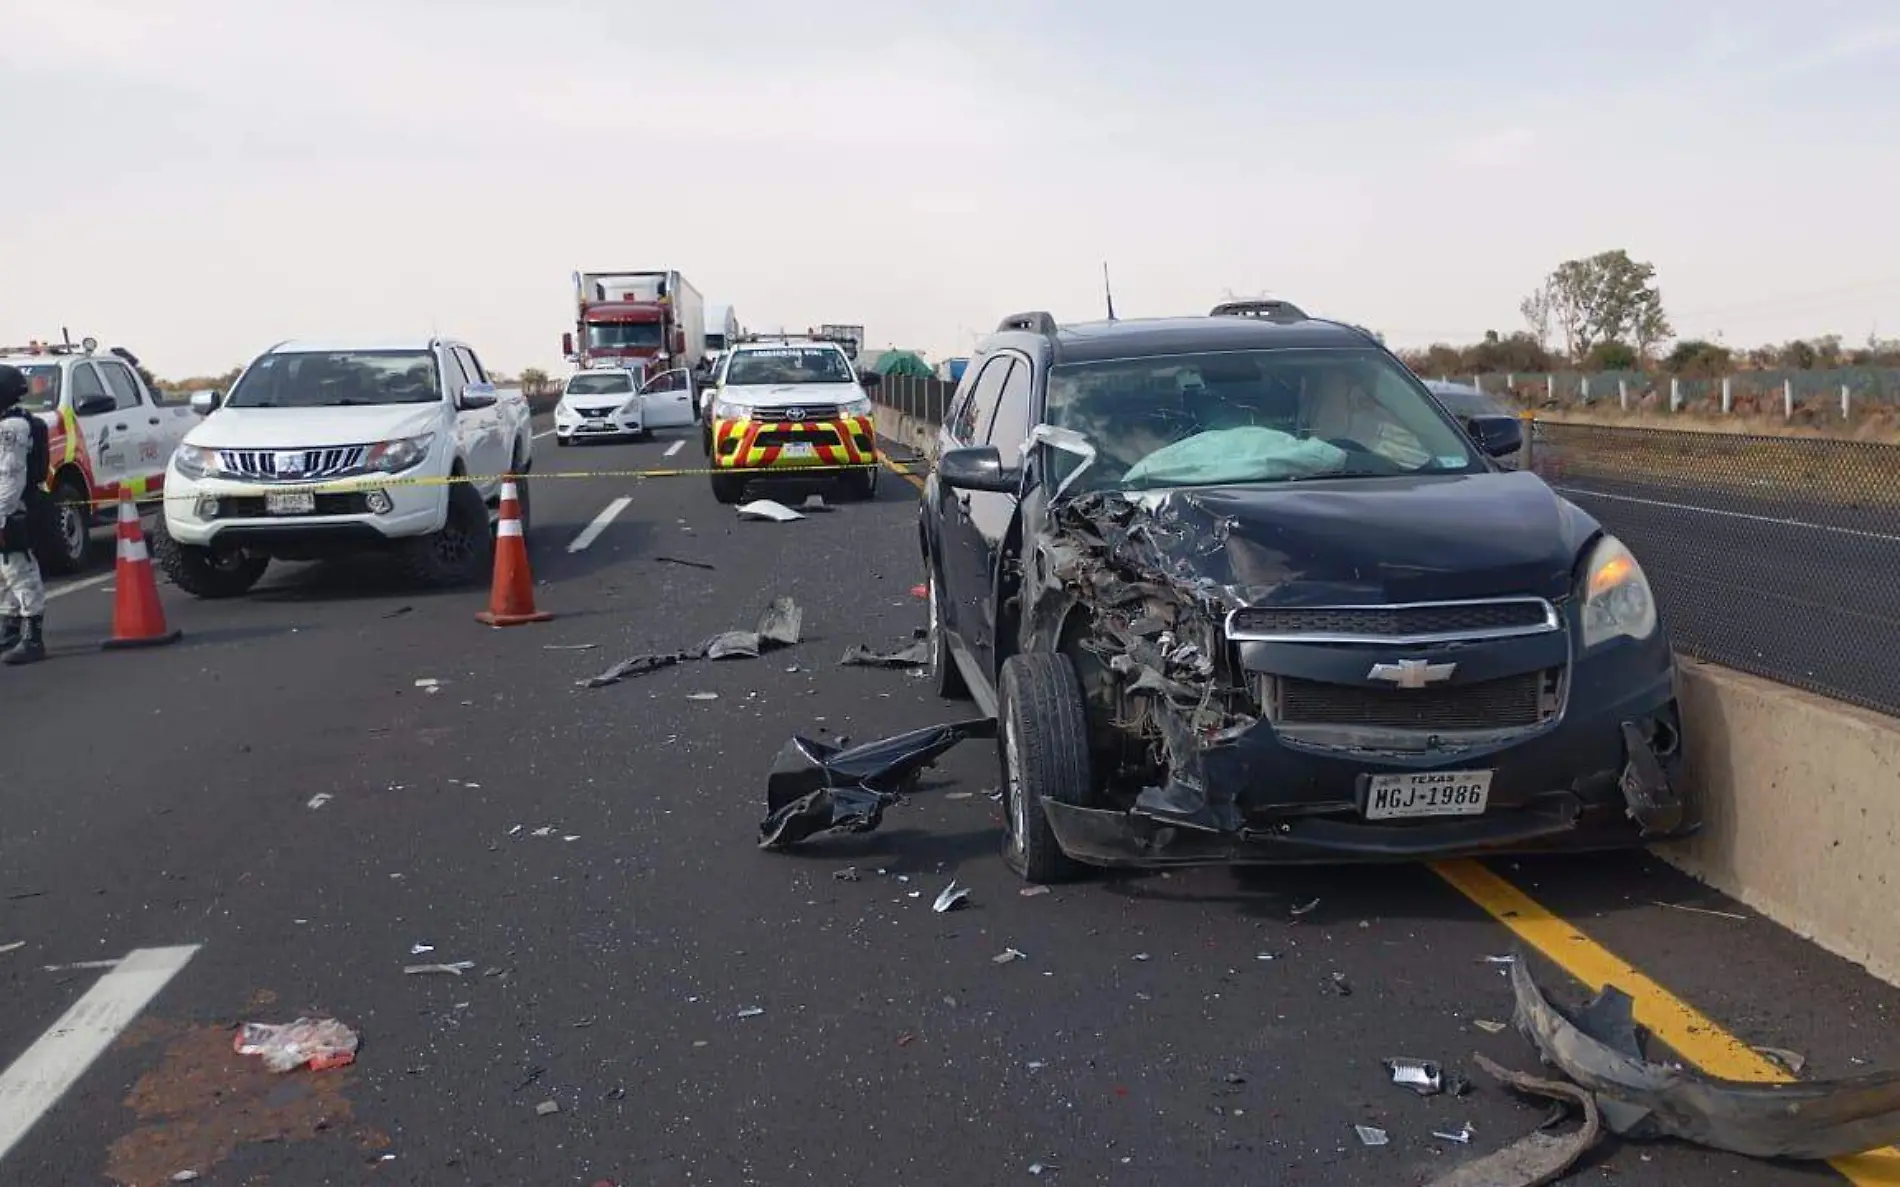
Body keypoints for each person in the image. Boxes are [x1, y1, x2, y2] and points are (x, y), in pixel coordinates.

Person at [0, 364, 50, 665]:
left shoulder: (11, 429)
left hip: (14, 507)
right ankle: (9, 628)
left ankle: (33, 636)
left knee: (20, 570)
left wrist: (1, 515)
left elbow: (10, 476)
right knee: (4, 573)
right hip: (9, 507)